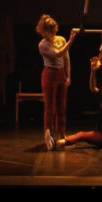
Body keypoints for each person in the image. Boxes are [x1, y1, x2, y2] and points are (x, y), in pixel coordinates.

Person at [45, 58, 102, 157]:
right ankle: (55, 144)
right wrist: (93, 71)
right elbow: (92, 87)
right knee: (81, 134)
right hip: (100, 134)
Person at [36, 14, 77, 142]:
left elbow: (66, 59)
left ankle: (62, 133)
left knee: (61, 106)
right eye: (51, 30)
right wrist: (71, 40)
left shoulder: (61, 39)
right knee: (50, 107)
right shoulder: (43, 45)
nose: (54, 32)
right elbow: (58, 54)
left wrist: (68, 76)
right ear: (44, 31)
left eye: (55, 29)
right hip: (49, 74)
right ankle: (48, 135)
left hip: (60, 74)